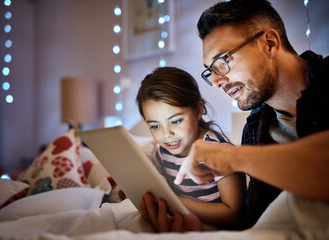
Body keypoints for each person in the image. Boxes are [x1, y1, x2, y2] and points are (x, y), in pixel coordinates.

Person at [140, 0, 329, 232]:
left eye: (223, 61)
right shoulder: (255, 128)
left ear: (269, 43)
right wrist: (198, 230)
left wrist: (233, 157)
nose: (217, 82)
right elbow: (260, 224)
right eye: (210, 71)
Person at [136, 66, 247, 230]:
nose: (167, 134)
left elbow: (234, 215)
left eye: (175, 121)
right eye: (155, 126)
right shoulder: (162, 150)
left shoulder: (218, 150)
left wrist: (175, 202)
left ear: (198, 110)